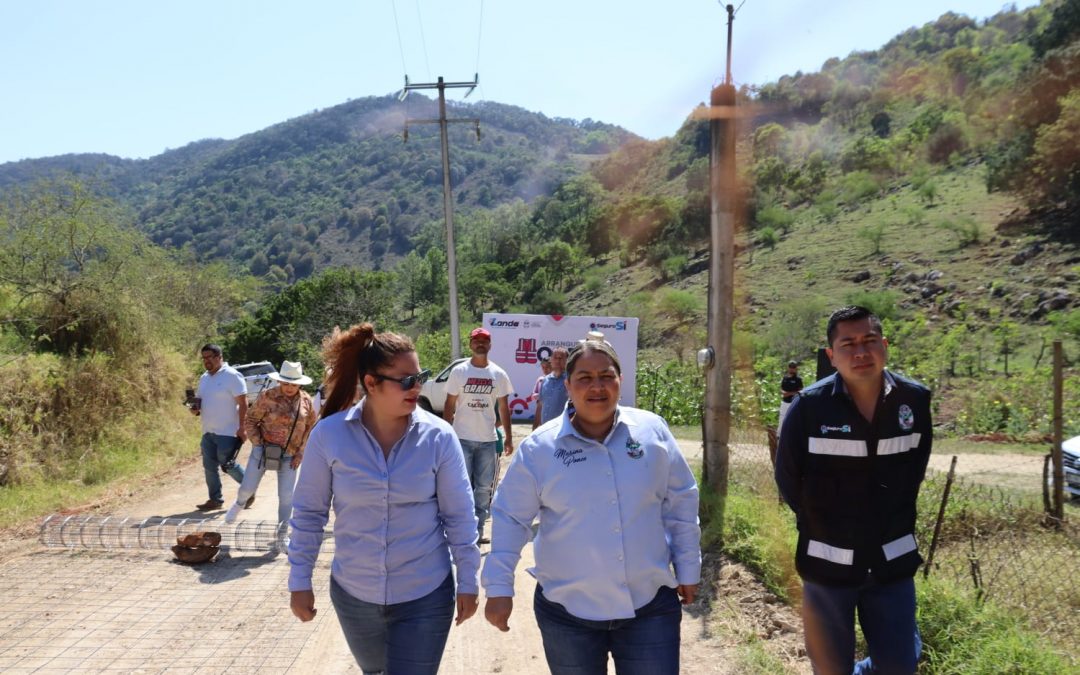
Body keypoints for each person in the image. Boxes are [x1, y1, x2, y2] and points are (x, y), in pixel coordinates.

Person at [482, 340, 701, 675]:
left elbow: (681, 500)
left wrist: (688, 566)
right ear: (566, 385)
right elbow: (511, 518)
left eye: (606, 375)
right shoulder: (540, 448)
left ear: (620, 381)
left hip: (649, 608)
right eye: (584, 378)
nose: (597, 386)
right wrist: (498, 587)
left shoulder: (651, 431)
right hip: (567, 615)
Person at [288, 324, 481, 674]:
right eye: (405, 380)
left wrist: (468, 579)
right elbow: (309, 514)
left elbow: (460, 516)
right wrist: (299, 580)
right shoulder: (329, 436)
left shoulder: (439, 438)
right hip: (354, 595)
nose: (417, 387)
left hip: (426, 593)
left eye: (419, 376)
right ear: (371, 383)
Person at [774, 306, 932, 675]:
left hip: (891, 564)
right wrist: (829, 524)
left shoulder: (914, 400)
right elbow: (788, 479)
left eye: (869, 341)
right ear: (832, 355)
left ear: (885, 346)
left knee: (899, 666)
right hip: (827, 567)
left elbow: (915, 473)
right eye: (848, 344)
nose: (860, 352)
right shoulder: (809, 407)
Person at [444, 326, 514, 545]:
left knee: (483, 489)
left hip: (487, 440)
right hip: (461, 439)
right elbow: (449, 404)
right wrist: (447, 434)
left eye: (484, 340)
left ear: (490, 345)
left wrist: (509, 437)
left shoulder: (498, 374)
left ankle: (478, 529)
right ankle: (460, 531)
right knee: (460, 486)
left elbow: (504, 408)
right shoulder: (459, 372)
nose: (480, 344)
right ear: (470, 344)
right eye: (477, 341)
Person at [225, 361, 317, 525]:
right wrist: (258, 443)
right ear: (280, 381)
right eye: (286, 383)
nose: (289, 387)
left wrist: (301, 452)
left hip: (290, 455)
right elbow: (251, 420)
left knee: (286, 497)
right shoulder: (267, 397)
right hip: (263, 450)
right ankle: (239, 505)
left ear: (299, 384)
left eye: (294, 384)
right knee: (247, 488)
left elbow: (310, 427)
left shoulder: (306, 401)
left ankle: (282, 536)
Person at [192, 344, 247, 511]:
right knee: (209, 468)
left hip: (228, 431)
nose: (206, 361)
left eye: (209, 357)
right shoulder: (204, 378)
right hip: (208, 430)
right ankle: (215, 500)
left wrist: (242, 427)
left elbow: (244, 404)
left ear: (219, 357)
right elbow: (200, 402)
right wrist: (194, 409)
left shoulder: (232, 375)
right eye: (204, 358)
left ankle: (248, 489)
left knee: (227, 464)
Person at [532, 346, 569, 429]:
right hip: (545, 429)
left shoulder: (571, 380)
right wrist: (535, 428)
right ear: (551, 360)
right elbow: (540, 405)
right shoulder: (545, 380)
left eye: (561, 358)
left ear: (567, 361)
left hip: (563, 429)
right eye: (555, 357)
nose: (558, 360)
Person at [778, 359, 803, 436]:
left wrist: (789, 393)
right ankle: (779, 436)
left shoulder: (798, 379)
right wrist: (783, 392)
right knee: (782, 419)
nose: (792, 368)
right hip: (785, 402)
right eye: (790, 367)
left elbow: (800, 391)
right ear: (788, 368)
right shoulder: (785, 378)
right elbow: (781, 388)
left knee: (794, 420)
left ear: (796, 368)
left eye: (793, 367)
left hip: (793, 402)